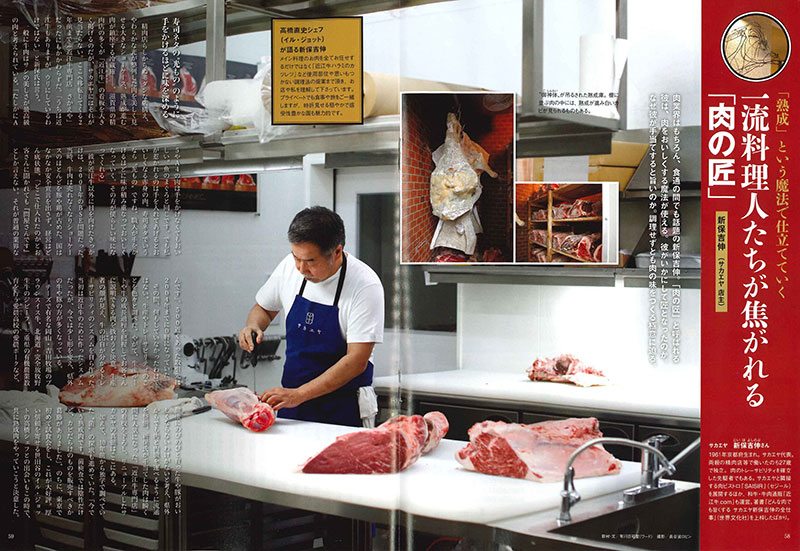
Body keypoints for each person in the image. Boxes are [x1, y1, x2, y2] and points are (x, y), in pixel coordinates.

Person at [238, 206, 384, 428]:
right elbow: (264, 309)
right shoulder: (289, 267)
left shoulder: (365, 285)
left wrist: (298, 394)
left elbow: (356, 361)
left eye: (310, 261)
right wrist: (253, 326)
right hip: (292, 405)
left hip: (343, 408)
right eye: (296, 257)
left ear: (337, 252)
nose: (300, 268)